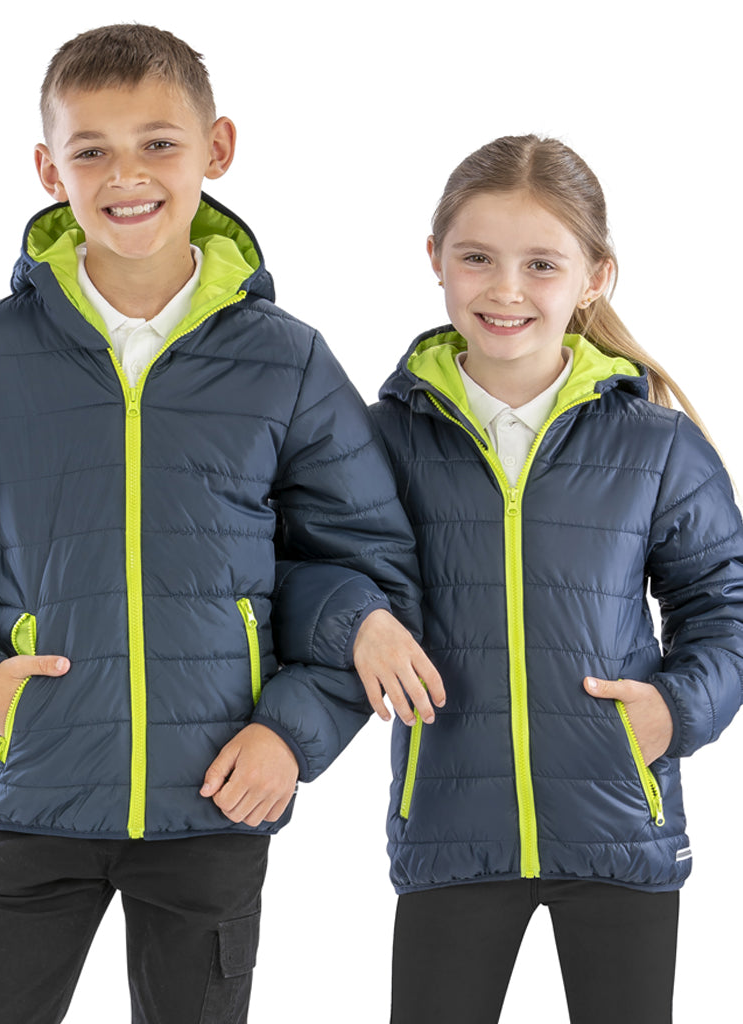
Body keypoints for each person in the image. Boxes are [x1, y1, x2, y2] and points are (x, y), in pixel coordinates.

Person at [0, 24, 425, 1024]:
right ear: (50, 170)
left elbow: (363, 568)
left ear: (217, 148)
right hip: (37, 783)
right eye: (92, 150)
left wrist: (292, 734)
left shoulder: (287, 362)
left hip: (216, 792)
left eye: (159, 143)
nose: (127, 175)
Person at [275, 135, 743, 1023]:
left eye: (541, 264)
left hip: (619, 823)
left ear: (595, 277)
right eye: (477, 258)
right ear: (435, 259)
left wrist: (675, 710)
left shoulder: (655, 445)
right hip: (451, 827)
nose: (506, 290)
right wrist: (358, 621)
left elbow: (726, 604)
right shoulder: (378, 439)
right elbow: (291, 569)